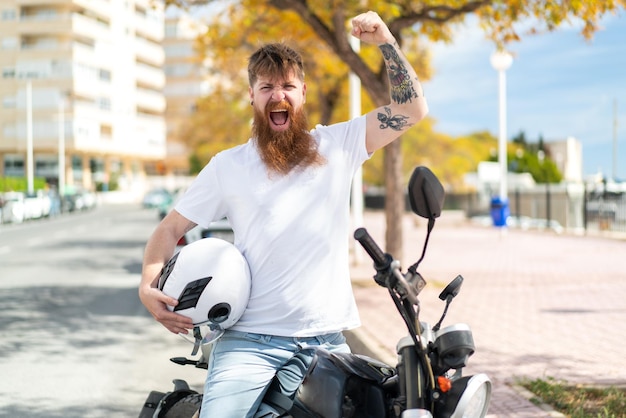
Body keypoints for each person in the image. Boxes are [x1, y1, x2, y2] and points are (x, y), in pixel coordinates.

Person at [139, 10, 428, 417]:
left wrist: (385, 41)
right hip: (249, 342)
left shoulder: (339, 144)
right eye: (267, 86)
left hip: (328, 341)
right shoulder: (228, 165)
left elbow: (412, 108)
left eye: (288, 86)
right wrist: (148, 283)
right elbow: (169, 229)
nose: (279, 95)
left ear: (304, 93)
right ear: (252, 97)